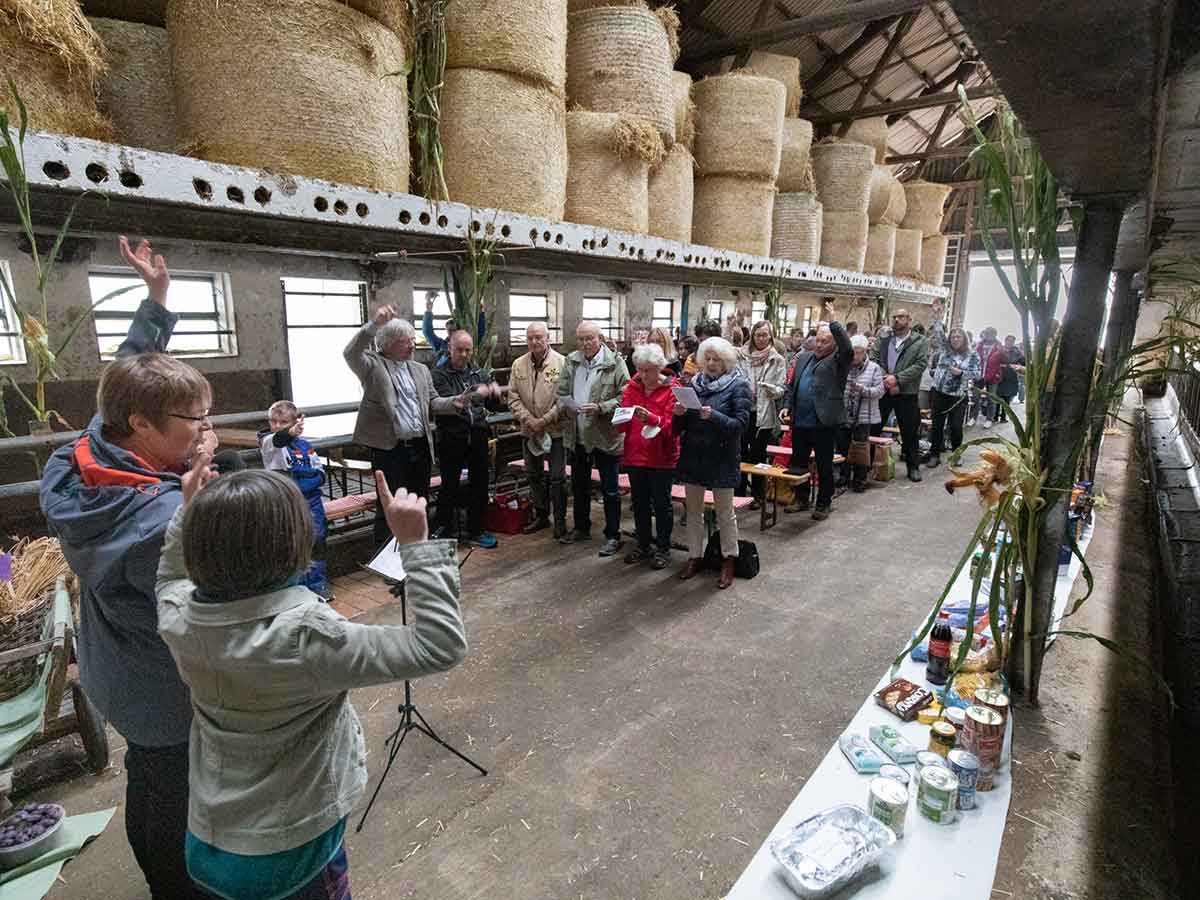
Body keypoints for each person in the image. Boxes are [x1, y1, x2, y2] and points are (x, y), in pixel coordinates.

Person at [156, 469, 467, 900]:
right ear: (293, 545)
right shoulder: (307, 637)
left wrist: (186, 513)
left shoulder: (180, 619)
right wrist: (416, 545)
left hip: (208, 845)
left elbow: (170, 580)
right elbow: (440, 646)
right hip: (291, 859)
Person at [41, 236, 214, 899]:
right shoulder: (155, 519)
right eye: (194, 421)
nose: (204, 430)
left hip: (113, 667)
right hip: (160, 688)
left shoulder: (86, 452)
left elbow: (128, 369)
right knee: (174, 796)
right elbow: (198, 595)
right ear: (141, 426)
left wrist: (156, 302)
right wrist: (196, 514)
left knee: (147, 776)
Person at [344, 306, 445, 547]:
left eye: (412, 340)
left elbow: (433, 402)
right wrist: (374, 324)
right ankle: (390, 563)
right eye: (404, 342)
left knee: (419, 500)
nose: (411, 346)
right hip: (390, 450)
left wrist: (459, 402)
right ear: (387, 344)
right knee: (389, 505)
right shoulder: (372, 366)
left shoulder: (420, 369)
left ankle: (419, 551)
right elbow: (351, 352)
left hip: (420, 446)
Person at [673, 337, 752, 589]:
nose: (710, 363)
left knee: (725, 514)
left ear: (726, 361)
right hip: (694, 456)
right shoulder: (693, 385)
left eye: (716, 359)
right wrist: (678, 416)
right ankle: (694, 555)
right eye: (706, 358)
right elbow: (679, 430)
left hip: (722, 458)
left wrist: (714, 416)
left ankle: (729, 558)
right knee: (693, 512)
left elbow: (740, 427)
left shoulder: (739, 386)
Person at [557, 320, 630, 556]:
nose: (586, 343)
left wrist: (601, 407)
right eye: (581, 339)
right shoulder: (572, 361)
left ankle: (612, 535)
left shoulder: (615, 363)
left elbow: (626, 395)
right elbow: (562, 391)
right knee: (579, 485)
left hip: (605, 435)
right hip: (578, 434)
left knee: (610, 488)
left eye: (590, 338)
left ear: (599, 338)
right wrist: (565, 405)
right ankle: (581, 528)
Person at [431, 330, 503, 547]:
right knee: (449, 485)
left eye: (468, 350)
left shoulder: (479, 373)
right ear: (449, 349)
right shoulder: (438, 375)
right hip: (452, 438)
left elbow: (492, 406)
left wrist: (495, 393)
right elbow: (446, 405)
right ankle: (444, 531)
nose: (464, 354)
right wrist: (476, 393)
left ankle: (477, 530)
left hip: (478, 435)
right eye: (459, 349)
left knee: (480, 483)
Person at [780, 321, 853, 519]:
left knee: (824, 465)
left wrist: (835, 323)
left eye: (825, 341)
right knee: (798, 463)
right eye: (817, 340)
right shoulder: (803, 358)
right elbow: (791, 387)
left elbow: (847, 347)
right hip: (800, 421)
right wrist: (787, 406)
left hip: (823, 422)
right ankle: (801, 498)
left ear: (834, 344)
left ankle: (823, 502)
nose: (819, 344)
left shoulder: (840, 361)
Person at [257, 401, 330, 597]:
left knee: (317, 540)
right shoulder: (268, 441)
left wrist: (307, 483)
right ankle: (297, 587)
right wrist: (289, 431)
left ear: (295, 421)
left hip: (312, 500)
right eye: (273, 421)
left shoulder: (305, 446)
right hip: (286, 500)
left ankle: (318, 583)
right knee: (292, 542)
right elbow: (279, 438)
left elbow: (319, 472)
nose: (277, 426)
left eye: (283, 422)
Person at [616, 344, 679, 569]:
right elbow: (623, 422)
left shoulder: (673, 389)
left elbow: (674, 428)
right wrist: (619, 420)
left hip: (661, 457)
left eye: (648, 370)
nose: (643, 375)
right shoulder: (632, 388)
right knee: (639, 503)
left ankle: (663, 548)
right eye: (640, 370)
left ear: (660, 368)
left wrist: (653, 419)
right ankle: (643, 545)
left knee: (662, 505)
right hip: (635, 455)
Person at [507, 322, 567, 537]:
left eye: (539, 337)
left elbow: (564, 400)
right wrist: (529, 420)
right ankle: (541, 516)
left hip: (555, 431)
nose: (534, 341)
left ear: (547, 338)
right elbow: (512, 398)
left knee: (557, 477)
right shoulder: (518, 364)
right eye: (530, 337)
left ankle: (560, 521)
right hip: (529, 431)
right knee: (533, 475)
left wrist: (544, 420)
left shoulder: (562, 363)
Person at [873, 308, 930, 482]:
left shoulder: (920, 342)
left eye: (901, 317)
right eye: (895, 317)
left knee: (910, 431)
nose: (897, 319)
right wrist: (886, 379)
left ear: (909, 319)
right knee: (874, 427)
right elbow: (874, 358)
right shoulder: (884, 339)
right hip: (884, 390)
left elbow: (920, 365)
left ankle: (913, 467)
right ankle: (866, 467)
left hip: (907, 392)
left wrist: (897, 379)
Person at [737, 320, 786, 505]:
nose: (761, 339)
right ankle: (739, 491)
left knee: (758, 455)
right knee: (740, 452)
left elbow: (782, 387)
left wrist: (774, 391)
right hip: (743, 411)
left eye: (765, 335)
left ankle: (758, 495)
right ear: (752, 336)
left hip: (764, 413)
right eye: (758, 335)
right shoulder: (741, 355)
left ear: (771, 337)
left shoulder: (777, 359)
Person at [927, 326, 980, 467]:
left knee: (956, 427)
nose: (955, 339)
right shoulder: (945, 350)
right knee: (937, 426)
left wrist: (962, 373)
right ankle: (934, 455)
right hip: (939, 393)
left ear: (964, 339)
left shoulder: (972, 355)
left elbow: (978, 374)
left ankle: (956, 454)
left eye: (959, 337)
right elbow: (938, 333)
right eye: (953, 337)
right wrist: (937, 313)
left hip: (958, 396)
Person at [839, 335, 885, 492]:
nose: (855, 356)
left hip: (864, 415)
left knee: (860, 447)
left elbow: (880, 391)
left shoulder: (874, 368)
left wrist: (863, 390)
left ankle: (860, 479)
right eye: (853, 352)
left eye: (858, 353)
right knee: (843, 446)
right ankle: (843, 477)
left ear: (865, 351)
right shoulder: (845, 366)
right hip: (845, 413)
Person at [970, 327, 1005, 428]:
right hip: (979, 375)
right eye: (987, 333)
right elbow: (973, 358)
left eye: (991, 333)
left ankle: (989, 419)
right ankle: (973, 417)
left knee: (991, 399)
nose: (989, 335)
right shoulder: (979, 345)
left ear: (995, 335)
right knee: (975, 397)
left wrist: (1001, 351)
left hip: (993, 376)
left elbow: (1005, 360)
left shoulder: (998, 346)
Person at [997, 334, 1025, 419]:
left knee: (1007, 398)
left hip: (1010, 377)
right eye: (1009, 341)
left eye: (1012, 341)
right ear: (1005, 341)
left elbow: (1023, 361)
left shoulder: (1016, 351)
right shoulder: (999, 349)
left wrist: (1017, 366)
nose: (1010, 343)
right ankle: (995, 415)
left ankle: (1003, 416)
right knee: (998, 397)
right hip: (1000, 376)